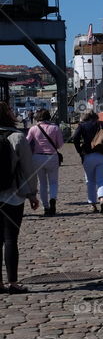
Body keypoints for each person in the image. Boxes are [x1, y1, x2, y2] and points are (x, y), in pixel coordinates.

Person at [0, 101, 39, 293]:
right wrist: (32, 194)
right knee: (10, 239)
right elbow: (28, 169)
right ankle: (13, 283)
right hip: (12, 196)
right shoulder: (17, 137)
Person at [72, 110, 103, 213]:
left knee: (90, 181)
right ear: (95, 116)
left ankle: (93, 204)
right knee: (101, 180)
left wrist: (79, 151)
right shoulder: (102, 124)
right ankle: (102, 199)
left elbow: (75, 138)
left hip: (88, 156)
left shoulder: (82, 126)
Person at [26, 109, 64, 216]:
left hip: (37, 157)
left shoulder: (33, 129)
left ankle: (46, 207)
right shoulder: (55, 128)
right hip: (52, 157)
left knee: (42, 183)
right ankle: (53, 199)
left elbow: (27, 142)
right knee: (53, 182)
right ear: (49, 117)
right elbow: (60, 145)